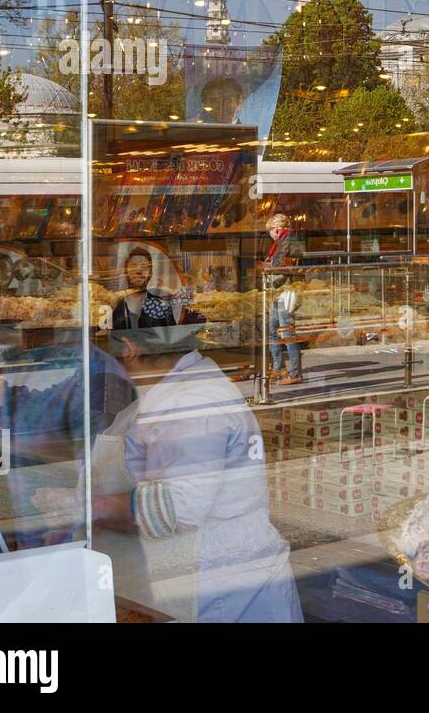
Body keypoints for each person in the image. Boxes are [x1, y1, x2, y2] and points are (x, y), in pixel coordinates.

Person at [70, 326, 302, 623]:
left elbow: (177, 507)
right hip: (206, 579)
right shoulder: (173, 391)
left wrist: (90, 509)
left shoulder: (193, 400)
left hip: (221, 587)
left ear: (128, 348)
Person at [264, 213, 305, 385]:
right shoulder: (284, 241)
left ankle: (294, 373)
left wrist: (269, 279)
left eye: (271, 231)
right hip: (281, 291)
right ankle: (279, 367)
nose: (270, 235)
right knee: (272, 330)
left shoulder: (286, 242)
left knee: (286, 332)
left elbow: (284, 269)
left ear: (277, 229)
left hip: (286, 291)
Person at [113, 248, 178, 330]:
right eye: (133, 265)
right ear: (125, 271)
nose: (139, 270)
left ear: (150, 273)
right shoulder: (114, 306)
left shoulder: (162, 306)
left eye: (144, 266)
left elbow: (173, 336)